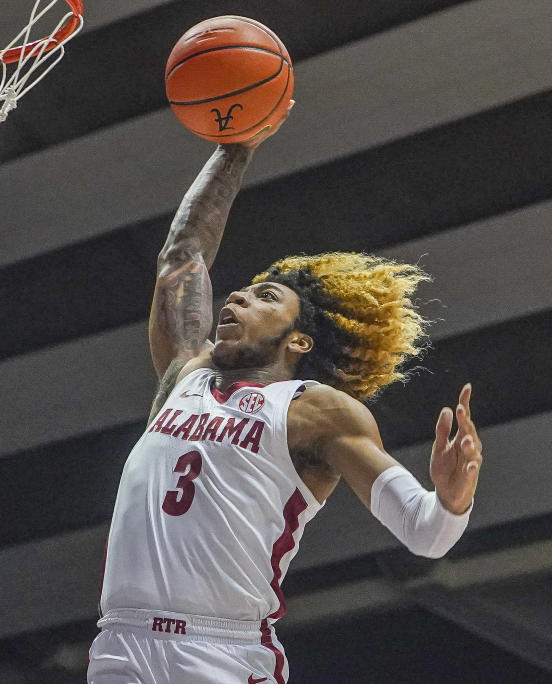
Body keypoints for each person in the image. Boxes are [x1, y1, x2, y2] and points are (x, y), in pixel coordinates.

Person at [87, 103, 483, 684]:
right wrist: (236, 146)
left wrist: (452, 497)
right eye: (239, 293)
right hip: (122, 642)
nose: (237, 299)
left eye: (264, 296)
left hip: (220, 652)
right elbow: (182, 254)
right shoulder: (184, 377)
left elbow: (425, 534)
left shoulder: (316, 412)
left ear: (298, 339)